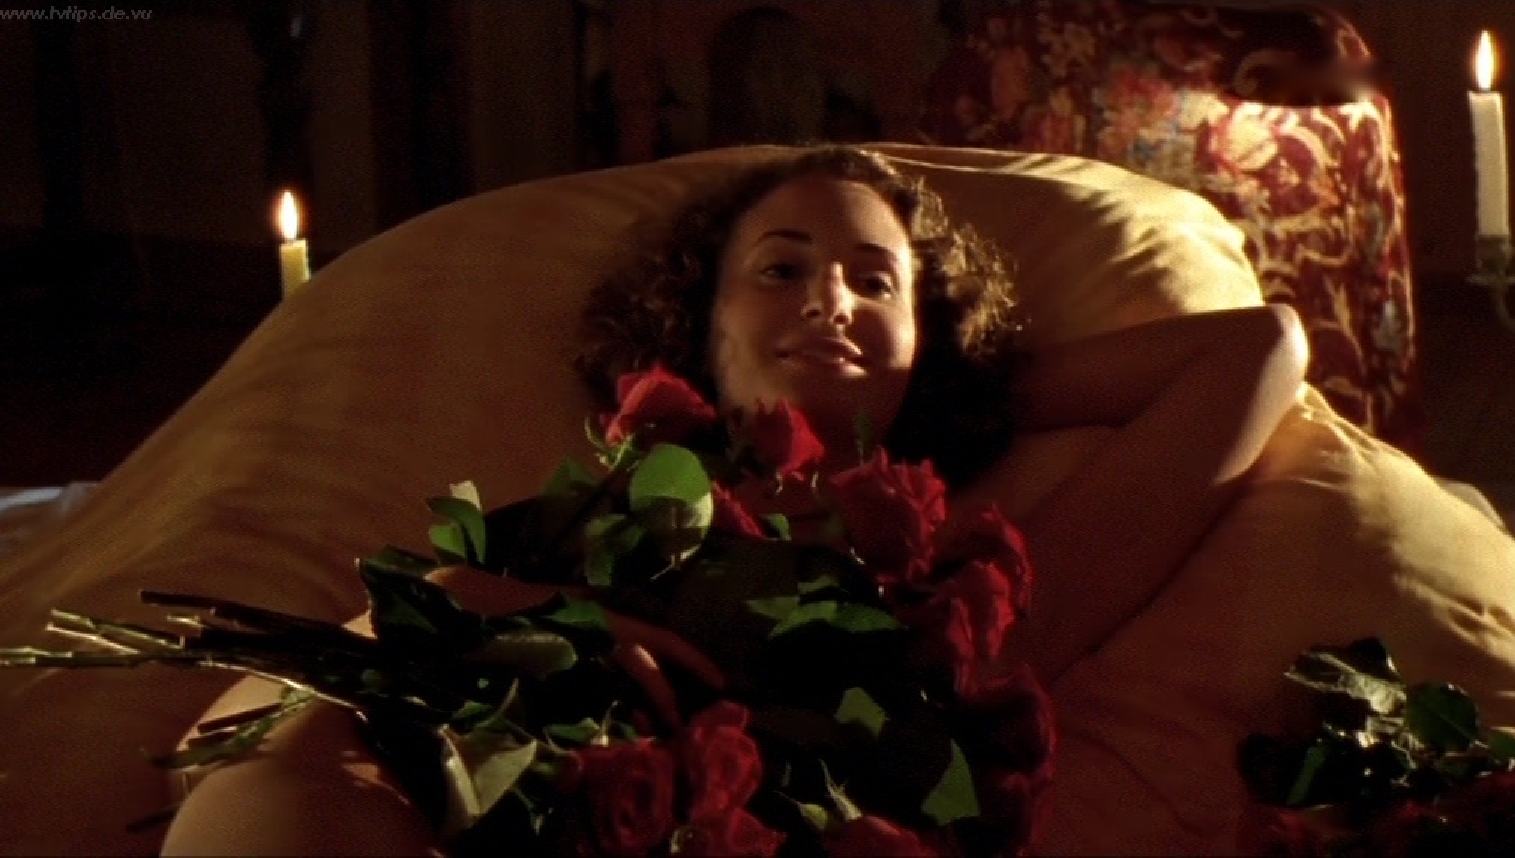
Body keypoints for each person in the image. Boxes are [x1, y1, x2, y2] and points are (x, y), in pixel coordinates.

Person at [159, 146, 1307, 855]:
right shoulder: (589, 518)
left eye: (875, 282)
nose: (831, 301)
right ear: (697, 328)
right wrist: (474, 603)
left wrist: (953, 388)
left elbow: (1258, 349)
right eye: (782, 269)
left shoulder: (969, 599)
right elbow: (223, 733)